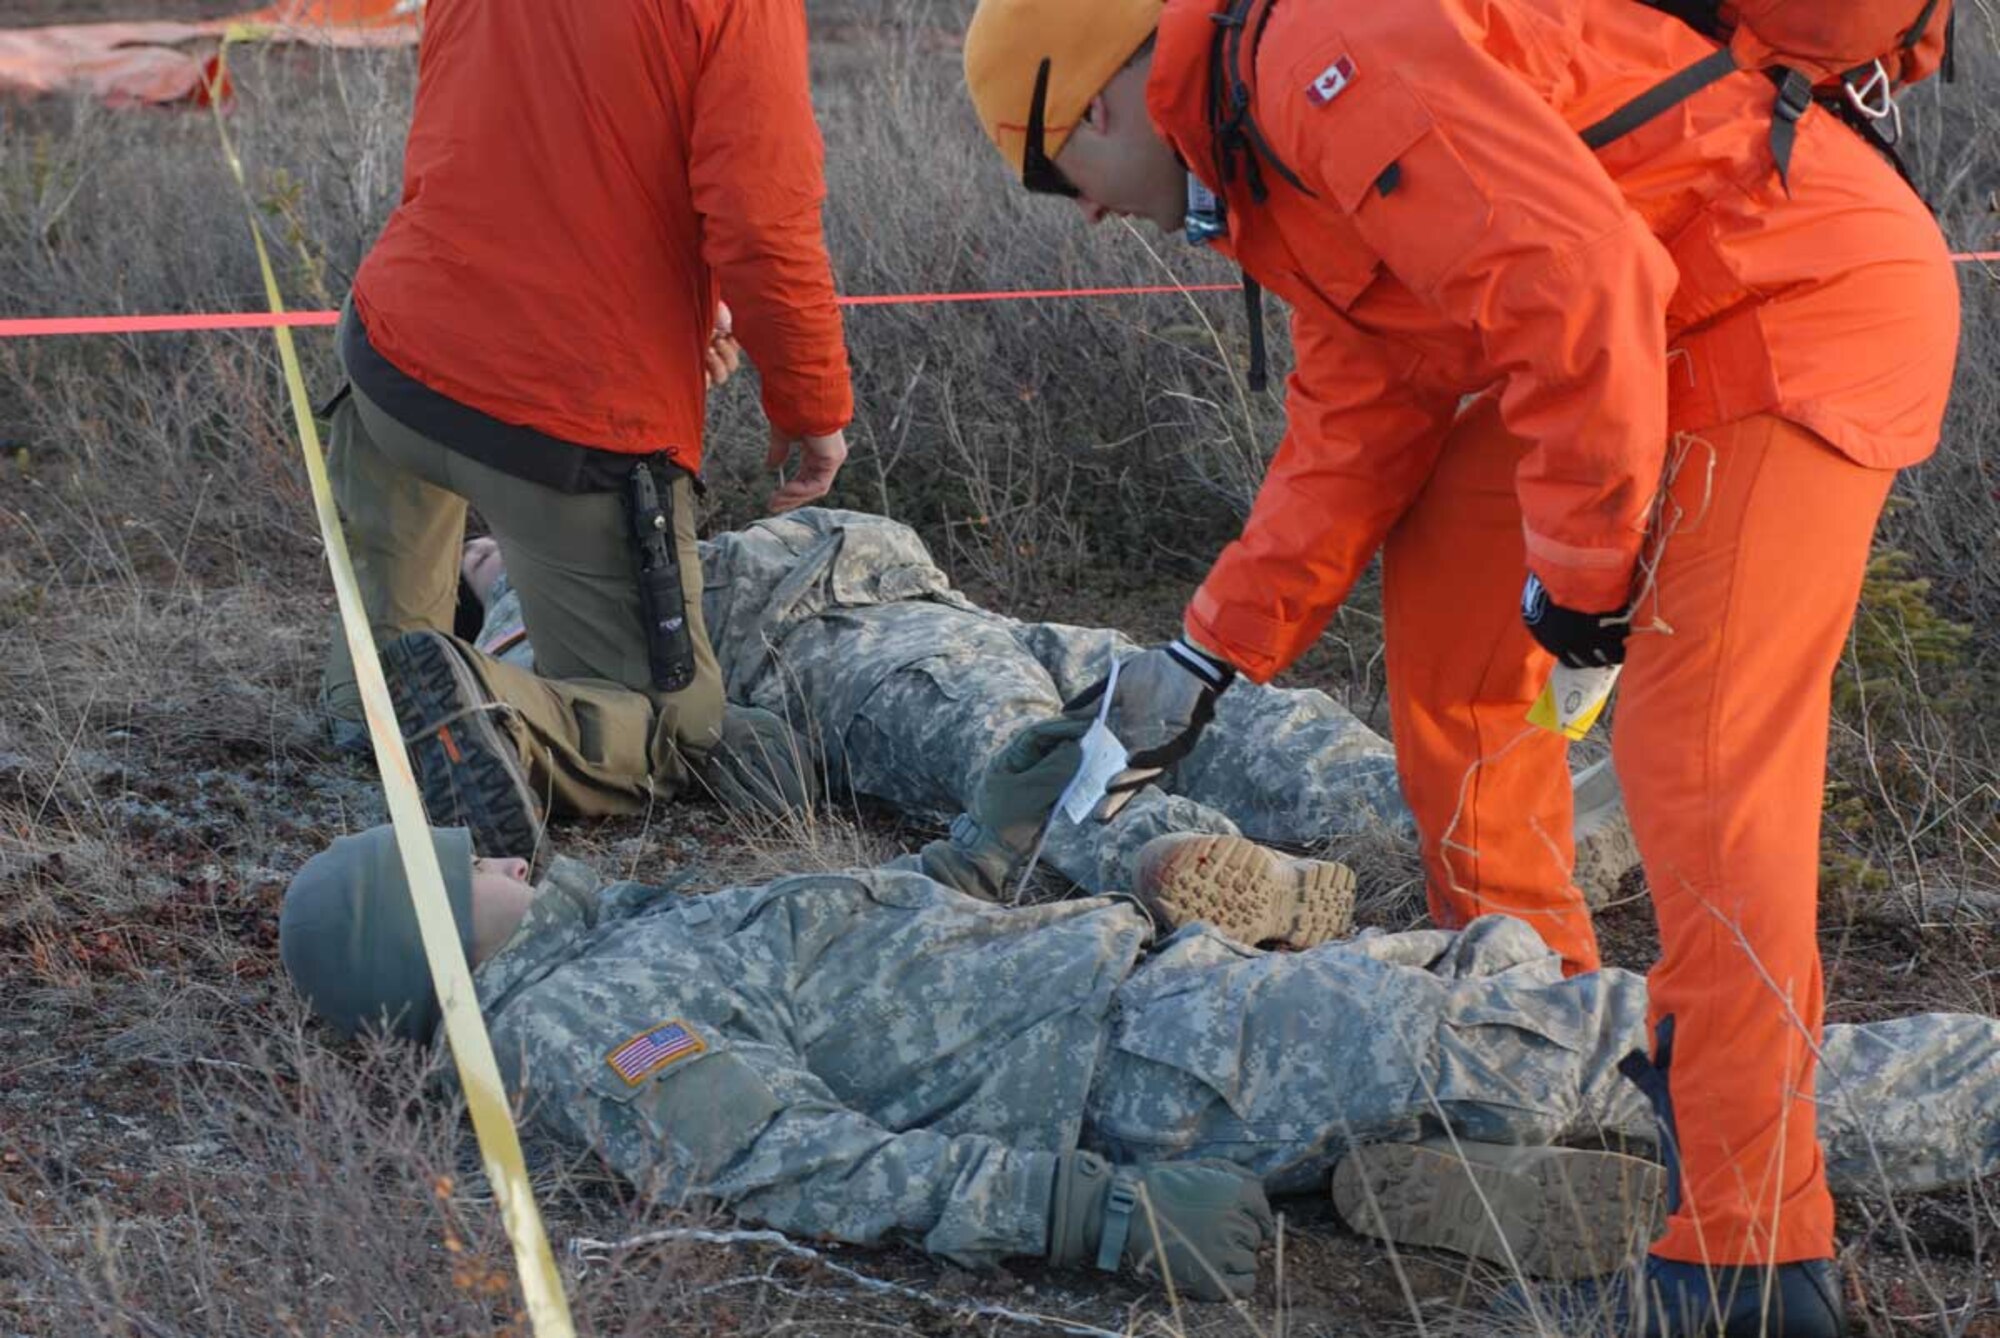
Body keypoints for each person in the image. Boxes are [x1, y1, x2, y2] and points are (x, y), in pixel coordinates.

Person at [960, 0, 1960, 1328]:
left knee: (1701, 772)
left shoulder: (1316, 56)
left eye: (1051, 174)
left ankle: (1748, 1258)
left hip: (1785, 299)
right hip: (1646, 340)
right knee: (1451, 634)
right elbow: (1355, 430)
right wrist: (1200, 659)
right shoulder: (1271, 166)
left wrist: (1589, 585)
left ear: (1087, 99)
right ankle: (1535, 1036)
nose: (1078, 214)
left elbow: (1578, 272)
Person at [277, 723, 2000, 1305]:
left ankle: (1465, 1181)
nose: (502, 852)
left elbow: (869, 999)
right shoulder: (585, 1030)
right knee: (1629, 1046)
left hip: (1168, 1006)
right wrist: (1090, 1211)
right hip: (1168, 1061)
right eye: (463, 867)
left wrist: (980, 846)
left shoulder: (616, 946)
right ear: (430, 945)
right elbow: (798, 1158)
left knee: (1527, 1011)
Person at [448, 507, 1638, 913]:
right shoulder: (544, 621)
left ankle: (1501, 820)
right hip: (850, 654)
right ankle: (1198, 869)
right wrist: (503, 603)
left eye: (492, 540)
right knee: (1029, 751)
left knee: (1237, 708)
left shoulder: (652, 529)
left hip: (959, 610)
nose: (496, 546)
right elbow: (584, 718)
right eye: (479, 558)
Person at [318, 0, 856, 857]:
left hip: (390, 360)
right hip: (563, 418)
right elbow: (763, 222)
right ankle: (481, 712)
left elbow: (512, 139)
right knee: (679, 731)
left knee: (387, 668)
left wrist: (684, 311)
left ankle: (373, 711)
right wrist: (812, 408)